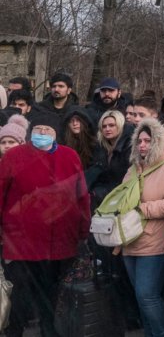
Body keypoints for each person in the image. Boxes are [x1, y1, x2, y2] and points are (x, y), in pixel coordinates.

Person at [0, 111, 90, 337]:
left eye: (47, 130)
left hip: (58, 239)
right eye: (38, 129)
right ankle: (14, 331)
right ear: (31, 132)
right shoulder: (14, 156)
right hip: (20, 239)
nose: (42, 133)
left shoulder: (69, 156)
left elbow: (81, 196)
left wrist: (83, 229)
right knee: (20, 292)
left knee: (50, 293)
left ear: (56, 134)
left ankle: (49, 331)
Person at [122, 118, 164, 337]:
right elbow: (122, 196)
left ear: (157, 142)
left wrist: (142, 210)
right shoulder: (133, 169)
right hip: (130, 240)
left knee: (148, 295)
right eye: (139, 140)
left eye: (148, 140)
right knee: (141, 298)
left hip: (156, 243)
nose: (142, 145)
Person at [87, 110, 134, 210]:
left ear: (120, 125)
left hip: (121, 195)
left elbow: (125, 178)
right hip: (102, 193)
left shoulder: (129, 146)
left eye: (111, 125)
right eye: (104, 126)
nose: (107, 129)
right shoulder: (101, 147)